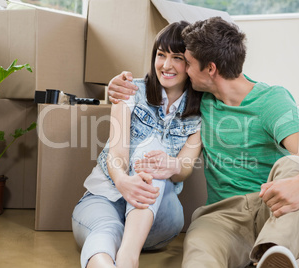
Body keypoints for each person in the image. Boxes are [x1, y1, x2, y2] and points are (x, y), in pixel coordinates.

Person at [107, 17, 299, 268]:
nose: (185, 69)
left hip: (272, 208)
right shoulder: (200, 102)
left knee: (294, 164)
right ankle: (261, 256)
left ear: (211, 69)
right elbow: (156, 86)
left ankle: (274, 252)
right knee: (198, 255)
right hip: (221, 218)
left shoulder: (272, 102)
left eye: (188, 63)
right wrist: (116, 86)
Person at [72, 21, 203, 268]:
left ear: (192, 63)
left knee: (156, 158)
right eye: (161, 54)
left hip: (159, 217)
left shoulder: (200, 112)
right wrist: (121, 180)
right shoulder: (130, 91)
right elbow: (117, 151)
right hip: (106, 198)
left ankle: (128, 257)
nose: (166, 65)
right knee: (105, 232)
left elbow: (185, 166)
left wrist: (171, 165)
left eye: (177, 57)